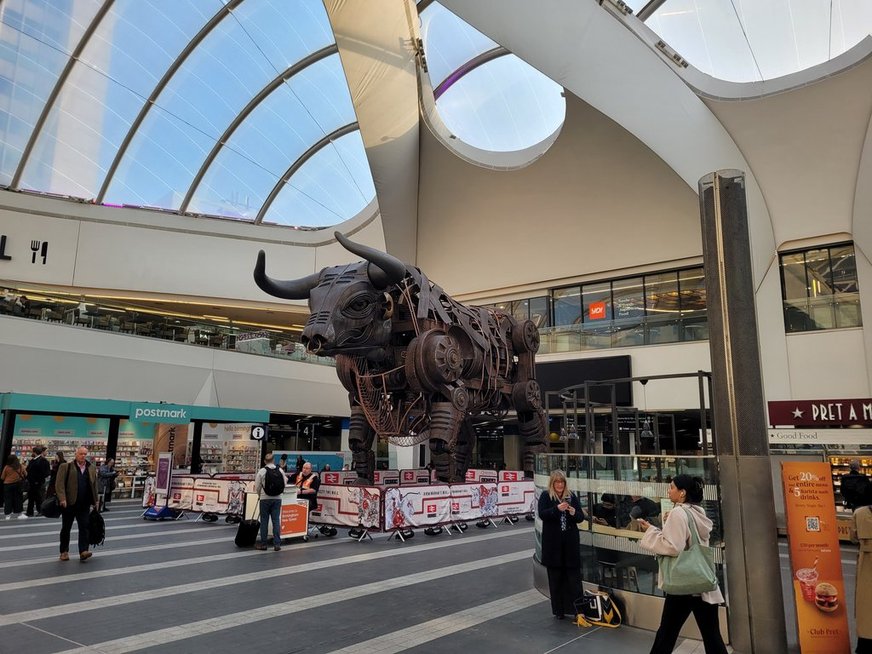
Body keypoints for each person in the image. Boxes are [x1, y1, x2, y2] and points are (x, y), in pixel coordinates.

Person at [638, 475, 727, 654]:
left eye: (671, 487)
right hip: (703, 583)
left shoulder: (679, 513)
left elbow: (673, 546)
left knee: (667, 633)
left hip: (683, 584)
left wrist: (650, 531)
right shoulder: (697, 512)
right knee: (712, 635)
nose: (668, 490)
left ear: (682, 493)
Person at [537, 470, 584, 620]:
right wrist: (556, 509)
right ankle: (559, 611)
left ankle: (579, 611)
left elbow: (580, 518)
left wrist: (573, 512)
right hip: (553, 545)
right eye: (557, 482)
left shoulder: (571, 496)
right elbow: (542, 514)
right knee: (555, 579)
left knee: (574, 579)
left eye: (562, 482)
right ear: (552, 483)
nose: (559, 485)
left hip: (570, 544)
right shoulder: (546, 496)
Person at [56, 446, 99, 562]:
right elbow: (59, 484)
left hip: (84, 504)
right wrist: (62, 498)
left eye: (85, 454)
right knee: (66, 528)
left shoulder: (91, 468)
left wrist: (96, 500)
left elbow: (94, 485)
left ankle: (83, 551)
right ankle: (64, 552)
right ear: (76, 454)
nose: (83, 456)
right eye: (81, 454)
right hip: (69, 503)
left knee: (84, 527)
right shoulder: (66, 467)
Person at [852, 484, 872, 654]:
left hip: (866, 562)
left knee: (865, 604)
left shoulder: (859, 513)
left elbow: (853, 537)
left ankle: (865, 644)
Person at [254, 452, 286, 551]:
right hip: (277, 499)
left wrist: (260, 495)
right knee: (276, 520)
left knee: (264, 521)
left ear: (264, 461)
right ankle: (277, 544)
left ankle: (264, 544)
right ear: (273, 460)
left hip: (265, 499)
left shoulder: (262, 471)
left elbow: (257, 486)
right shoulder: (280, 470)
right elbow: (284, 484)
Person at [25, 446, 50, 516]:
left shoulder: (43, 460)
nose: (31, 453)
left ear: (34, 452)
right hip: (31, 483)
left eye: (32, 452)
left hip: (38, 483)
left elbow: (46, 472)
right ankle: (30, 512)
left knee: (38, 498)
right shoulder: (33, 460)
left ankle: (40, 511)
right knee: (31, 498)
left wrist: (38, 480)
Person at [1, 454, 28, 519]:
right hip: (17, 485)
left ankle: (8, 515)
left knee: (8, 500)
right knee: (18, 499)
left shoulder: (7, 467)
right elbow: (26, 474)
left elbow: (2, 477)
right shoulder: (20, 466)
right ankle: (19, 514)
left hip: (7, 485)